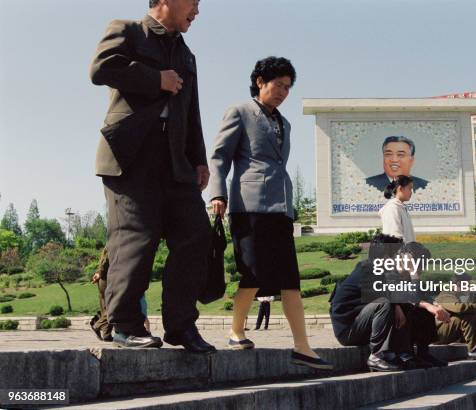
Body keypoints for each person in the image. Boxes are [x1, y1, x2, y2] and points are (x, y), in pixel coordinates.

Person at [89, 0, 216, 353]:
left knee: (195, 234)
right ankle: (124, 325)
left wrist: (199, 159)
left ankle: (181, 326)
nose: (197, 11)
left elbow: (192, 110)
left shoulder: (186, 54)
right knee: (136, 237)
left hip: (175, 162)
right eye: (193, 2)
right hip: (130, 156)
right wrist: (155, 79)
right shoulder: (127, 30)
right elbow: (101, 68)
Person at [208, 56, 332, 370]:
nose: (283, 92)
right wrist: (217, 194)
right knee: (253, 274)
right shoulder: (240, 112)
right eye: (278, 85)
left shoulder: (284, 123)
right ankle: (236, 331)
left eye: (288, 87)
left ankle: (302, 346)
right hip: (248, 207)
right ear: (261, 82)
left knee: (290, 279)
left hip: (280, 208)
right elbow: (219, 157)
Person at [330, 236, 449, 371]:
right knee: (386, 304)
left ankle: (420, 353)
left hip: (365, 324)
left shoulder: (384, 270)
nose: (400, 257)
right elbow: (401, 296)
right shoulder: (369, 269)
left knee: (416, 306)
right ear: (387, 257)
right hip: (349, 330)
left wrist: (433, 304)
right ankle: (377, 355)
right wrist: (413, 274)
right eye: (398, 253)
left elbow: (411, 296)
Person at [91, 247, 151, 341]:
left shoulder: (116, 243)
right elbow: (106, 259)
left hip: (106, 278)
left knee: (106, 307)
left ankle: (106, 334)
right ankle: (97, 326)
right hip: (107, 279)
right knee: (113, 307)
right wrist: (100, 272)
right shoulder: (114, 244)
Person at [379, 175, 416, 243]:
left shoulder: (400, 207)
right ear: (400, 189)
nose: (411, 192)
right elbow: (394, 238)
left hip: (408, 252)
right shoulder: (392, 208)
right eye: (409, 188)